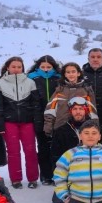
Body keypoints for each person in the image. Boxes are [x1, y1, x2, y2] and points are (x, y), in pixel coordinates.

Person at [0, 57, 41, 189]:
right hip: (9, 122)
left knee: (30, 151)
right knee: (13, 152)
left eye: (19, 67)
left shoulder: (30, 82)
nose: (16, 69)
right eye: (13, 67)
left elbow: (36, 105)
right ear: (7, 67)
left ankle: (33, 178)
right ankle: (16, 179)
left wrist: (37, 122)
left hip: (27, 122)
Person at [49, 97, 93, 203]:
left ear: (86, 110)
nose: (78, 112)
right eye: (75, 109)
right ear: (70, 111)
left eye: (81, 109)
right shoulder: (61, 130)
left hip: (92, 172)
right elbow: (55, 157)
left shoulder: (95, 130)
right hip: (71, 173)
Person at [27, 55, 61, 186]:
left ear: (53, 67)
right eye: (43, 67)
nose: (46, 69)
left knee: (56, 147)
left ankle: (57, 174)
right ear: (38, 67)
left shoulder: (58, 78)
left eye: (49, 67)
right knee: (43, 147)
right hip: (39, 116)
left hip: (56, 116)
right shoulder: (32, 78)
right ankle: (46, 175)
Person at [43, 62, 98, 135]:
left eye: (73, 72)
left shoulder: (86, 91)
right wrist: (48, 126)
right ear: (65, 75)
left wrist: (95, 127)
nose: (71, 74)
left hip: (82, 129)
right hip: (61, 127)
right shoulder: (60, 90)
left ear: (78, 73)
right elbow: (50, 110)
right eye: (68, 72)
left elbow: (92, 112)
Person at [82, 48, 102, 148]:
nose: (95, 59)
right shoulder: (81, 74)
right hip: (85, 115)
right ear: (88, 59)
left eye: (98, 57)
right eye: (92, 57)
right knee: (85, 144)